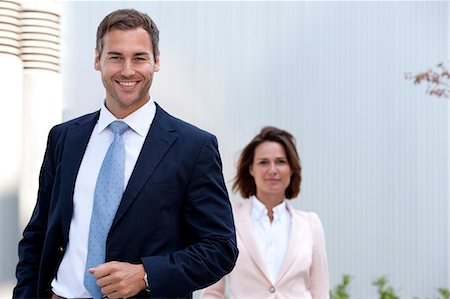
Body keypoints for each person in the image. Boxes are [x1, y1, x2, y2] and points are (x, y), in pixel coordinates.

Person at [14, 8, 238, 299]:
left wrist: (146, 274)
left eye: (140, 58)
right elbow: (38, 234)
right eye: (115, 57)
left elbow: (220, 248)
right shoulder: (64, 138)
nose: (128, 70)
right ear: (98, 60)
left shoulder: (193, 147)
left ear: (156, 61)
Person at [200, 126, 329, 299]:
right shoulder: (228, 219)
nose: (273, 170)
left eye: (281, 162)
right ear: (251, 169)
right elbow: (212, 292)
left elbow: (319, 291)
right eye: (263, 162)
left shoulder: (311, 224)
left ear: (291, 169)